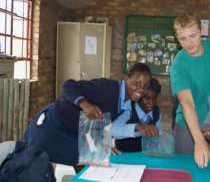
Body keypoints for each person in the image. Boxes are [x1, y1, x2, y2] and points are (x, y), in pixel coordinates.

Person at [23, 62, 152, 166]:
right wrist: (84, 104)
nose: (141, 89)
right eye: (137, 83)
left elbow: (114, 129)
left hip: (75, 133)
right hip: (52, 126)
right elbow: (68, 86)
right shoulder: (108, 87)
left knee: (91, 160)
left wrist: (137, 128)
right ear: (126, 78)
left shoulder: (128, 108)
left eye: (145, 86)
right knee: (36, 168)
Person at [170, 13, 210, 168]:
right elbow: (187, 103)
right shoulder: (178, 64)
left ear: (201, 31)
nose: (188, 43)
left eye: (192, 36)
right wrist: (199, 141)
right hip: (188, 127)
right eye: (182, 38)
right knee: (187, 171)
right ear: (177, 38)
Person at [112, 77, 162, 152]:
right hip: (123, 154)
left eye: (154, 98)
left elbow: (158, 136)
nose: (151, 103)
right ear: (140, 95)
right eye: (147, 98)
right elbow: (113, 130)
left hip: (144, 156)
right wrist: (137, 127)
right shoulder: (128, 108)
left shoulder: (156, 112)